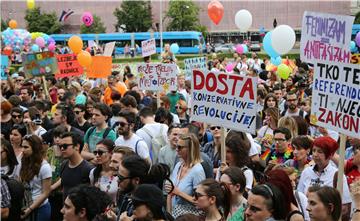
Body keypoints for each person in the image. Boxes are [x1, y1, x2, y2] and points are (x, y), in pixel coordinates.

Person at [297, 137, 352, 214]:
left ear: (330, 155)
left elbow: (344, 207)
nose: (315, 154)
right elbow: (299, 197)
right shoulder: (306, 172)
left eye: (320, 152)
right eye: (314, 150)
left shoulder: (338, 175)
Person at [167, 133, 206, 218]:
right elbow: (170, 193)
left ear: (190, 149)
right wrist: (168, 215)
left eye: (180, 147)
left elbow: (200, 202)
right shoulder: (178, 165)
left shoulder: (198, 171)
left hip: (189, 218)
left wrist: (179, 193)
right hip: (174, 216)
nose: (177, 149)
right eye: (177, 146)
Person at [51, 132, 94, 200]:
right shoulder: (64, 164)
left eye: (65, 146)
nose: (62, 149)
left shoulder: (88, 169)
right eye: (60, 146)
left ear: (77, 146)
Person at [19, 134, 52, 221]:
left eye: (26, 147)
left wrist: (30, 209)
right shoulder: (24, 161)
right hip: (25, 205)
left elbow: (46, 193)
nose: (23, 150)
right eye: (22, 147)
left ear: (35, 148)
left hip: (40, 209)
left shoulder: (45, 167)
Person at [89, 139, 118, 203]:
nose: (97, 155)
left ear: (111, 153)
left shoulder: (118, 174)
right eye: (95, 152)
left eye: (100, 152)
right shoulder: (93, 172)